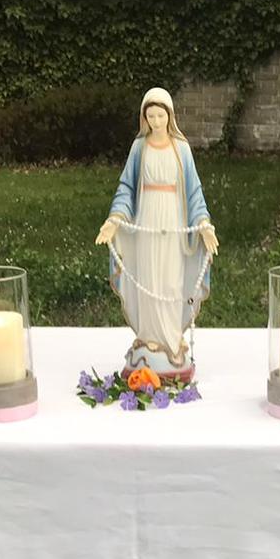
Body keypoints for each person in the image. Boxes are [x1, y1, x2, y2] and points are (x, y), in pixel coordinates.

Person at [95, 88, 219, 380]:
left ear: (170, 116)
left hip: (173, 221)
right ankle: (149, 337)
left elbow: (194, 190)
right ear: (144, 118)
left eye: (160, 115)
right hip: (147, 219)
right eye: (150, 116)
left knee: (171, 279)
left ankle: (171, 337)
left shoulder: (181, 148)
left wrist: (203, 224)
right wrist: (115, 219)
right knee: (149, 275)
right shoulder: (139, 147)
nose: (155, 121)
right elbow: (126, 187)